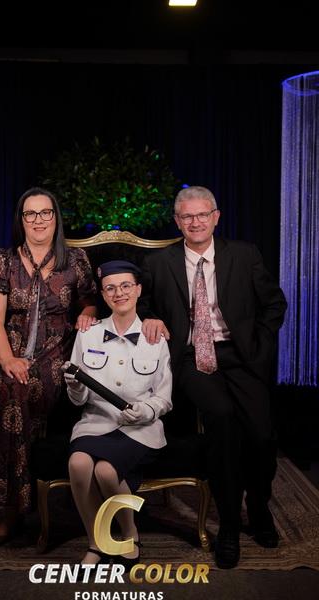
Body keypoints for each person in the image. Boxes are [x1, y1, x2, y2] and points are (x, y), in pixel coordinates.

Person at [138, 186, 287, 569]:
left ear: (216, 217)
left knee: (262, 434)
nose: (196, 222)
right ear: (177, 222)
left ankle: (258, 507)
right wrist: (150, 317)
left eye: (202, 214)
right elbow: (142, 302)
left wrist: (260, 345)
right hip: (191, 358)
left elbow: (274, 303)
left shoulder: (244, 254)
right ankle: (230, 526)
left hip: (240, 355)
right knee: (222, 421)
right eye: (187, 216)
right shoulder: (158, 262)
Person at [0, 187, 97, 546]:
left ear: (56, 218)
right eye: (30, 214)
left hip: (57, 351)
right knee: (11, 385)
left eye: (45, 213)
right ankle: (14, 507)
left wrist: (88, 314)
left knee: (17, 392)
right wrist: (7, 359)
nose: (38, 220)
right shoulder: (2, 261)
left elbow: (90, 301)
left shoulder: (75, 259)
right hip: (11, 349)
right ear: (21, 220)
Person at [63, 260, 172, 569]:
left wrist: (146, 410)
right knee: (78, 463)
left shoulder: (155, 336)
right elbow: (77, 400)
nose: (119, 293)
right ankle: (96, 541)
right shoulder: (88, 334)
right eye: (110, 288)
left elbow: (164, 398)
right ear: (103, 294)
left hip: (140, 429)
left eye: (126, 286)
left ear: (138, 290)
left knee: (107, 472)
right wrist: (74, 385)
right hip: (95, 423)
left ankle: (128, 533)